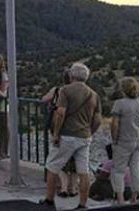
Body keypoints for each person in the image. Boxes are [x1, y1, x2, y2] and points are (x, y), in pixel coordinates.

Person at [41, 63, 102, 209]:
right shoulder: (94, 94)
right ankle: (82, 204)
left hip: (66, 135)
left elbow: (61, 113)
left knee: (52, 166)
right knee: (83, 171)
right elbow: (98, 119)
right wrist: (89, 132)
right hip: (84, 136)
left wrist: (56, 134)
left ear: (71, 75)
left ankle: (49, 200)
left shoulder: (65, 90)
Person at [111, 77, 139, 205]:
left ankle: (121, 199)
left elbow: (115, 124)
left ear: (123, 89)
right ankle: (134, 197)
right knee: (135, 168)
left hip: (124, 140)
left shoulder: (119, 104)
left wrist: (114, 139)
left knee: (119, 170)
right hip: (138, 140)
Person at [42, 70, 77, 198]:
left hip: (58, 126)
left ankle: (63, 187)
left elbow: (44, 99)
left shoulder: (57, 90)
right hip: (76, 128)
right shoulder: (80, 92)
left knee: (59, 157)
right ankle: (73, 188)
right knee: (74, 158)